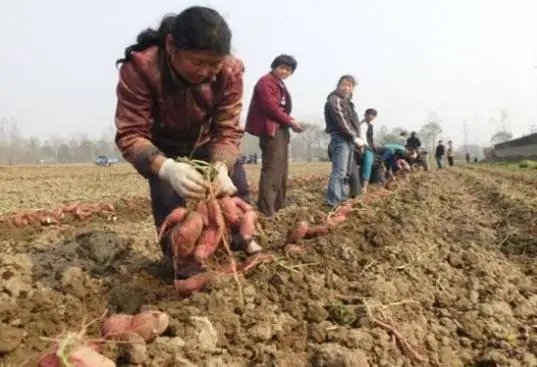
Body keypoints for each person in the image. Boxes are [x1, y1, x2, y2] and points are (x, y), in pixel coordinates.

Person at [114, 8, 258, 280]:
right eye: (197, 62)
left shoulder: (230, 71)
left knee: (235, 212)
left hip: (209, 145)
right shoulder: (141, 69)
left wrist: (222, 167)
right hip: (163, 151)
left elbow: (227, 129)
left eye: (213, 64)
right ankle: (187, 270)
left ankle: (242, 259)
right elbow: (130, 134)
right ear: (171, 46)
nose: (206, 72)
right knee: (179, 232)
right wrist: (167, 168)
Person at [245, 54, 304, 217]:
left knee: (281, 170)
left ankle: (278, 206)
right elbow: (270, 107)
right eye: (282, 68)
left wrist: (290, 121)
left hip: (280, 129)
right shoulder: (266, 82)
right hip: (270, 130)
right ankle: (266, 210)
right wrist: (290, 121)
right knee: (272, 169)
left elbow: (280, 109)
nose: (285, 72)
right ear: (274, 66)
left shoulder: (280, 85)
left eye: (289, 70)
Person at [324, 75, 365, 208]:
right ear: (338, 85)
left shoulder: (346, 102)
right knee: (339, 171)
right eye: (344, 84)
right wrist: (354, 137)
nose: (347, 88)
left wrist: (355, 139)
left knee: (346, 172)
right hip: (340, 139)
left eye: (350, 86)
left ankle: (341, 199)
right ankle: (333, 202)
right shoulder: (334, 100)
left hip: (348, 140)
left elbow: (352, 123)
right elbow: (341, 121)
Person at [355, 108, 378, 193]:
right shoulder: (362, 125)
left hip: (370, 146)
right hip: (363, 145)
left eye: (373, 115)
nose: (371, 117)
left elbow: (371, 138)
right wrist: (365, 147)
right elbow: (362, 137)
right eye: (370, 114)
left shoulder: (370, 125)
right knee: (368, 162)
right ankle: (364, 186)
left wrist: (374, 146)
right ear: (365, 114)